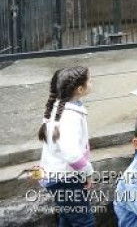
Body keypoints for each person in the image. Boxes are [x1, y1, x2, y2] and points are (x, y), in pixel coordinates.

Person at [37, 67, 95, 227]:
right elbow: (72, 154)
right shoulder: (69, 117)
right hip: (65, 178)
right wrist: (88, 172)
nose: (92, 83)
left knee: (68, 217)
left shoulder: (57, 108)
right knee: (84, 222)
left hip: (58, 175)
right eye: (90, 80)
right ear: (80, 89)